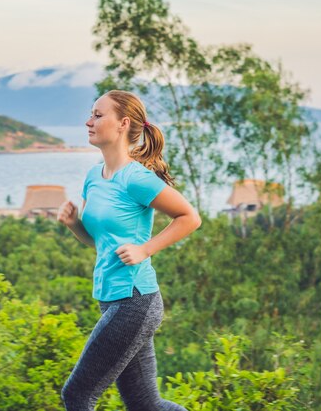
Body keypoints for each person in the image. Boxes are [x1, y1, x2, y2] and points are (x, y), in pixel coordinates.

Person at [57, 90, 201, 411]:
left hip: (135, 300)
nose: (88, 121)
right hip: (109, 299)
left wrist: (145, 249)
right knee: (146, 406)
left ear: (122, 124)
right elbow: (98, 241)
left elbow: (189, 217)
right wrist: (73, 224)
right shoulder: (95, 176)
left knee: (77, 395)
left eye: (97, 115)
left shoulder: (137, 179)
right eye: (91, 114)